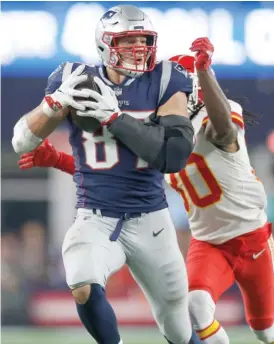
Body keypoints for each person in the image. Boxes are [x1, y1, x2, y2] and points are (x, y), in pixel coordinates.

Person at [12, 5, 201, 344]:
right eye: (127, 41)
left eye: (143, 40)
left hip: (152, 220)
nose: (138, 48)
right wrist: (53, 103)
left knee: (177, 326)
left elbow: (172, 156)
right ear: (105, 44)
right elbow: (21, 141)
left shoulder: (166, 79)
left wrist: (114, 118)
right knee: (82, 281)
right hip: (95, 216)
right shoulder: (74, 77)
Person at [166, 40, 274, 344]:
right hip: (208, 243)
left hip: (251, 238)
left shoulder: (216, 116)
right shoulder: (158, 135)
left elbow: (224, 129)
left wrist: (203, 71)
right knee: (196, 305)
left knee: (265, 332)